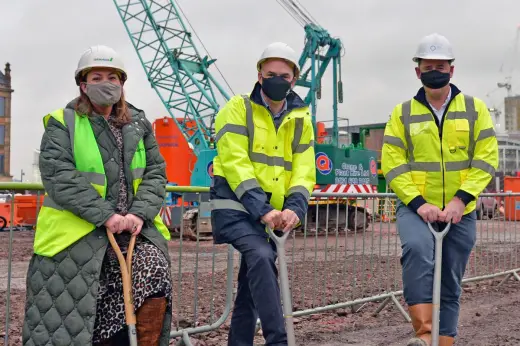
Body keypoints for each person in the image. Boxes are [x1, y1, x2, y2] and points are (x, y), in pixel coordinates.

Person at [22, 45, 174, 346]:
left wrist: (137, 214)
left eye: (112, 77)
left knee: (154, 270)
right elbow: (60, 175)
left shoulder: (139, 125)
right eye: (97, 77)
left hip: (131, 229)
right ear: (83, 84)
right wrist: (105, 215)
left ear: (121, 84)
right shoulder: (62, 122)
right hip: (77, 231)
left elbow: (156, 173)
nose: (106, 83)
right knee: (87, 296)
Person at [381, 33, 499, 346]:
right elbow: (392, 163)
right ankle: (423, 336)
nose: (435, 70)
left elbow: (486, 159)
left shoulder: (475, 110)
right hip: (416, 208)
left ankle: (444, 342)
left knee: (450, 280)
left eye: (441, 65)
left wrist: (461, 201)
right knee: (418, 252)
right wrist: (419, 203)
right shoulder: (402, 113)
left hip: (461, 212)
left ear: (452, 70)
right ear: (417, 72)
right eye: (428, 65)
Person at [209, 41, 316, 345]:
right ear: (259, 75)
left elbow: (304, 169)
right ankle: (278, 341)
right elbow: (235, 163)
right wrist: (263, 209)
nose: (277, 80)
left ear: (294, 79)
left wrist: (295, 207)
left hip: (272, 214)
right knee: (260, 255)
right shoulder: (237, 108)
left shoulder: (302, 119)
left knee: (250, 287)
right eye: (271, 74)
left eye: (284, 75)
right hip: (235, 207)